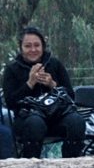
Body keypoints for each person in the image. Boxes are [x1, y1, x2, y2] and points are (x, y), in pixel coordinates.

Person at [2, 26, 87, 159]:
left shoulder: (54, 64)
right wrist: (30, 83)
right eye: (28, 46)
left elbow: (70, 95)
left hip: (57, 115)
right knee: (35, 124)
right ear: (21, 48)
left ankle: (71, 165)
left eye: (37, 45)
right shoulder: (12, 69)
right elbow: (11, 103)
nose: (33, 50)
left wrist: (52, 84)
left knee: (76, 122)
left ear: (43, 46)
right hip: (27, 118)